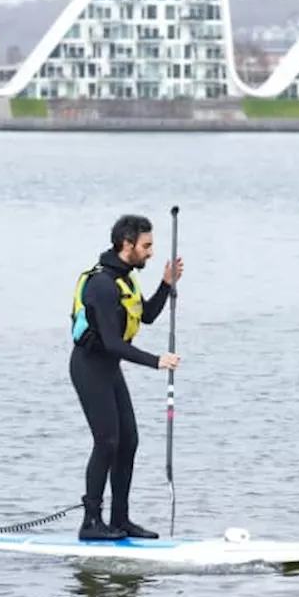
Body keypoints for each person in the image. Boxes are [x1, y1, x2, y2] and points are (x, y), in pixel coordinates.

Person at [69, 213, 183, 540]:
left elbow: (145, 316)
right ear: (126, 244)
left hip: (108, 367)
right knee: (107, 441)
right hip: (90, 366)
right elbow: (111, 342)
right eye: (146, 246)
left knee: (128, 441)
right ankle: (91, 522)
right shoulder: (102, 285)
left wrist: (166, 284)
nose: (150, 252)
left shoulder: (126, 277)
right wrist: (156, 361)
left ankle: (120, 519)